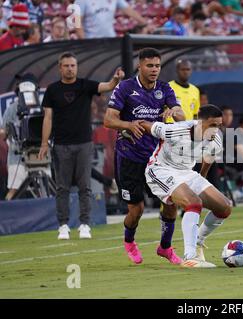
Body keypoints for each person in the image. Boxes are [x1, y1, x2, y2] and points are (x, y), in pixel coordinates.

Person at [103, 48, 185, 265]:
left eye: (157, 66)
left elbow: (181, 114)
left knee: (170, 202)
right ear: (140, 66)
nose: (154, 70)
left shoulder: (164, 88)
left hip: (157, 160)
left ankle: (165, 247)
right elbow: (109, 120)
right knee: (136, 210)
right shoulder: (126, 88)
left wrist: (173, 111)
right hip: (129, 157)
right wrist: (128, 124)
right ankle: (129, 241)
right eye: (150, 66)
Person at [38, 52, 125, 240]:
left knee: (85, 186)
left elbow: (108, 86)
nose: (70, 68)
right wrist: (44, 143)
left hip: (84, 143)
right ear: (60, 68)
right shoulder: (52, 90)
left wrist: (116, 79)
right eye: (66, 65)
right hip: (61, 144)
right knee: (62, 187)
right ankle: (63, 225)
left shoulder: (85, 85)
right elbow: (48, 118)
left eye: (73, 65)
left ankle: (85, 224)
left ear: (76, 67)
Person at [142, 104, 232, 268]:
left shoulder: (216, 139)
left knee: (225, 207)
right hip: (160, 170)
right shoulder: (175, 130)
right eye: (212, 125)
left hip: (186, 173)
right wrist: (130, 128)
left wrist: (201, 179)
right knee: (193, 202)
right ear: (199, 121)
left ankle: (198, 239)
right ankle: (190, 257)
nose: (215, 130)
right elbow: (145, 124)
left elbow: (209, 157)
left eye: (218, 125)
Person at [74, 0, 148, 39]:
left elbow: (129, 10)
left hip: (111, 39)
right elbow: (77, 22)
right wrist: (83, 40)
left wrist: (145, 23)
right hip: (92, 41)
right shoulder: (81, 0)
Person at [167, 59, 200, 123]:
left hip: (188, 129)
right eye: (183, 69)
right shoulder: (168, 87)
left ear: (191, 71)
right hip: (171, 128)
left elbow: (196, 114)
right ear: (177, 71)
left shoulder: (195, 90)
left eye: (188, 69)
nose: (185, 72)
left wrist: (196, 129)